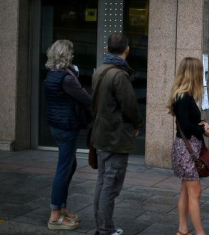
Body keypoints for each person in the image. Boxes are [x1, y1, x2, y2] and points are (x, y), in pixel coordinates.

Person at [92, 33, 142, 235]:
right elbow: (130, 106)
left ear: (106, 49)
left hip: (102, 135)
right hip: (115, 137)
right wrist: (137, 123)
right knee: (110, 185)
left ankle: (101, 226)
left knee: (103, 182)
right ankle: (105, 229)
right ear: (127, 50)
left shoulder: (100, 71)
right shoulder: (119, 75)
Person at [167, 57, 209, 235]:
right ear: (193, 73)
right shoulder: (183, 97)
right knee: (195, 193)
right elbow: (186, 125)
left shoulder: (184, 96)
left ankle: (182, 230)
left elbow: (189, 121)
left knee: (186, 191)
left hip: (185, 149)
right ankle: (200, 233)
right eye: (200, 72)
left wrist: (203, 125)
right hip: (186, 151)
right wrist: (202, 130)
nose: (201, 76)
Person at [44, 40, 92, 230]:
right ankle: (55, 215)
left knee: (70, 165)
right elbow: (85, 99)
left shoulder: (52, 75)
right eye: (71, 52)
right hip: (66, 127)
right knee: (64, 169)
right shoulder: (66, 78)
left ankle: (62, 207)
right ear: (67, 54)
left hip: (56, 126)